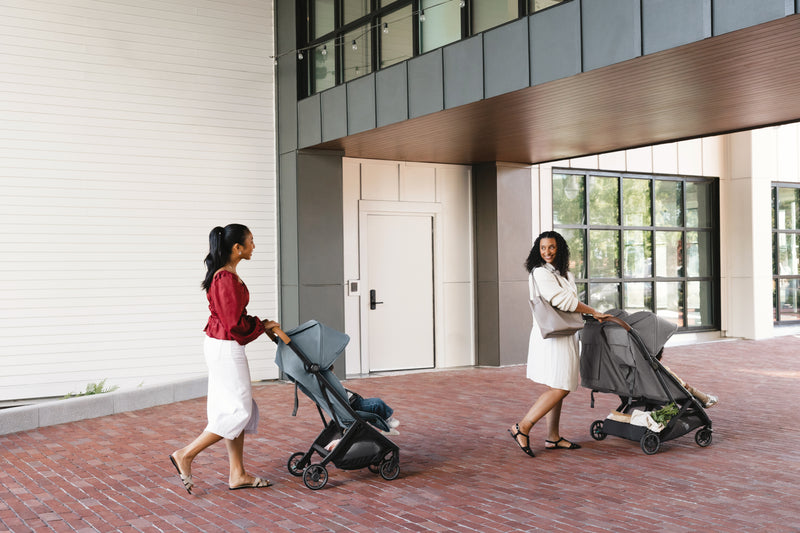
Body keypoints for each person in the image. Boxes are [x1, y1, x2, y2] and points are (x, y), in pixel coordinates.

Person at [169, 224, 279, 493]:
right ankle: (186, 454)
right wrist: (260, 325)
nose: (254, 246)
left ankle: (237, 473)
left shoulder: (226, 275)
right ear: (236, 248)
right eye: (251, 241)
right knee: (239, 409)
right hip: (225, 346)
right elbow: (233, 323)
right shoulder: (225, 279)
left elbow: (232, 320)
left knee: (234, 407)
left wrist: (258, 324)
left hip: (221, 345)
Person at [509, 231, 610, 457]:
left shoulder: (564, 274)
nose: (547, 252)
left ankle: (552, 437)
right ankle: (522, 427)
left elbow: (569, 303)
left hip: (565, 334)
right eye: (543, 248)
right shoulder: (540, 273)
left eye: (551, 247)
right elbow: (562, 301)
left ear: (559, 248)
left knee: (558, 384)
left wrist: (592, 315)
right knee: (562, 386)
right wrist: (593, 311)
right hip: (553, 337)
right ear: (538, 249)